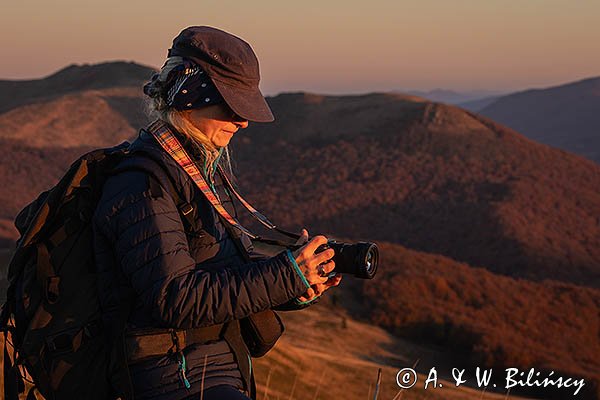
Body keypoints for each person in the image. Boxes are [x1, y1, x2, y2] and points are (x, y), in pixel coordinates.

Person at [92, 26, 342, 400]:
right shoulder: (142, 185)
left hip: (212, 367)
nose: (242, 122)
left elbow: (223, 273)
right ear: (188, 96)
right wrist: (285, 275)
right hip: (172, 378)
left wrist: (297, 284)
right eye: (231, 106)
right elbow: (176, 297)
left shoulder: (197, 170)